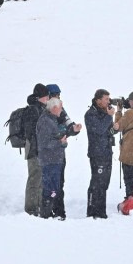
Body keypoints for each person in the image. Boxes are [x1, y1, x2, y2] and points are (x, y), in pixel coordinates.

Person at [45, 83, 81, 218]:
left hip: (59, 153)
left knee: (59, 183)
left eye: (58, 95)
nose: (57, 97)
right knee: (49, 184)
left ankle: (59, 210)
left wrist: (74, 129)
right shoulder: (44, 113)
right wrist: (64, 132)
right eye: (54, 95)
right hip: (47, 154)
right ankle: (48, 210)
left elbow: (67, 123)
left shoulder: (60, 109)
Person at [36, 97, 73, 219]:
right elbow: (44, 143)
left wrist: (62, 142)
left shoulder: (53, 119)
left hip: (55, 160)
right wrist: (60, 142)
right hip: (49, 161)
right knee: (50, 189)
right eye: (61, 108)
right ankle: (46, 215)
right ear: (54, 108)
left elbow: (55, 139)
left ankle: (51, 213)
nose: (62, 110)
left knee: (54, 188)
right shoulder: (46, 121)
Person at [84, 88, 116, 218]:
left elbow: (108, 131)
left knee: (104, 183)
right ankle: (92, 211)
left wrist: (115, 129)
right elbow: (99, 130)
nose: (109, 102)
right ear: (98, 101)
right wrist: (109, 116)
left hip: (107, 152)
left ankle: (101, 211)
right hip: (97, 153)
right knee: (97, 183)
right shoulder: (91, 114)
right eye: (106, 99)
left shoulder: (105, 113)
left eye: (109, 99)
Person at [19, 83, 50, 216]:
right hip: (34, 150)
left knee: (40, 180)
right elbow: (33, 132)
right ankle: (31, 209)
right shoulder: (33, 110)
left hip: (41, 150)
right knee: (34, 179)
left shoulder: (42, 109)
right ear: (40, 97)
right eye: (46, 96)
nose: (48, 98)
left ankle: (38, 206)